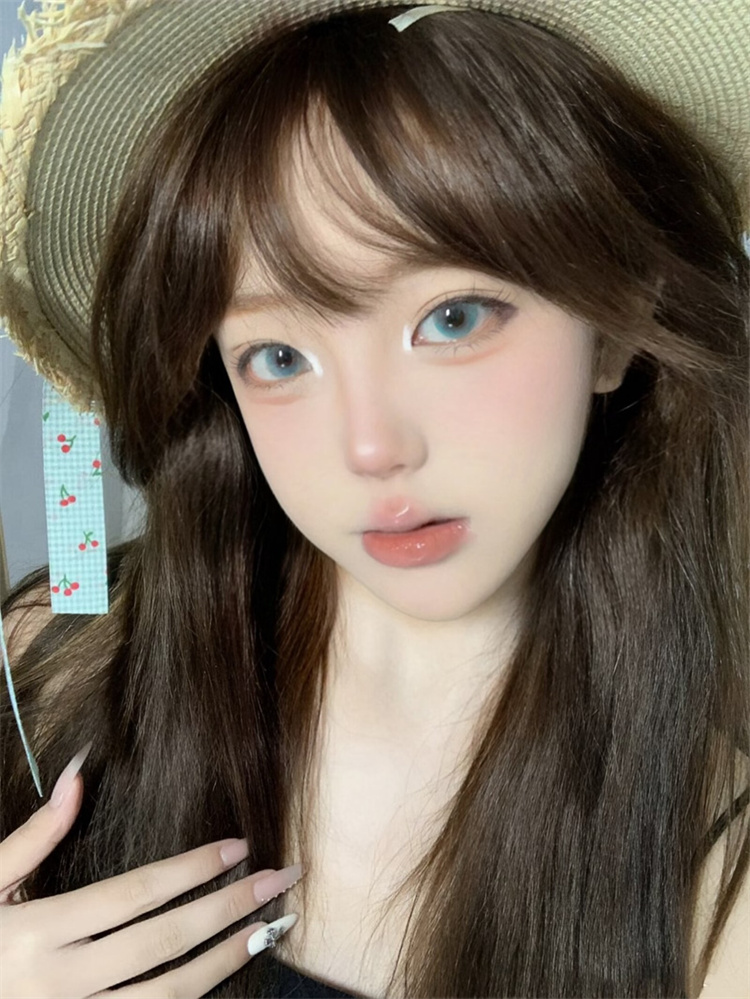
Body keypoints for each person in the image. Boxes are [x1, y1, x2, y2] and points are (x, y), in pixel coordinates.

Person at [0, 1, 748, 996]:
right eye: (279, 356)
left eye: (455, 317)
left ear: (613, 329)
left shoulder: (721, 898)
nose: (370, 447)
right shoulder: (51, 671)